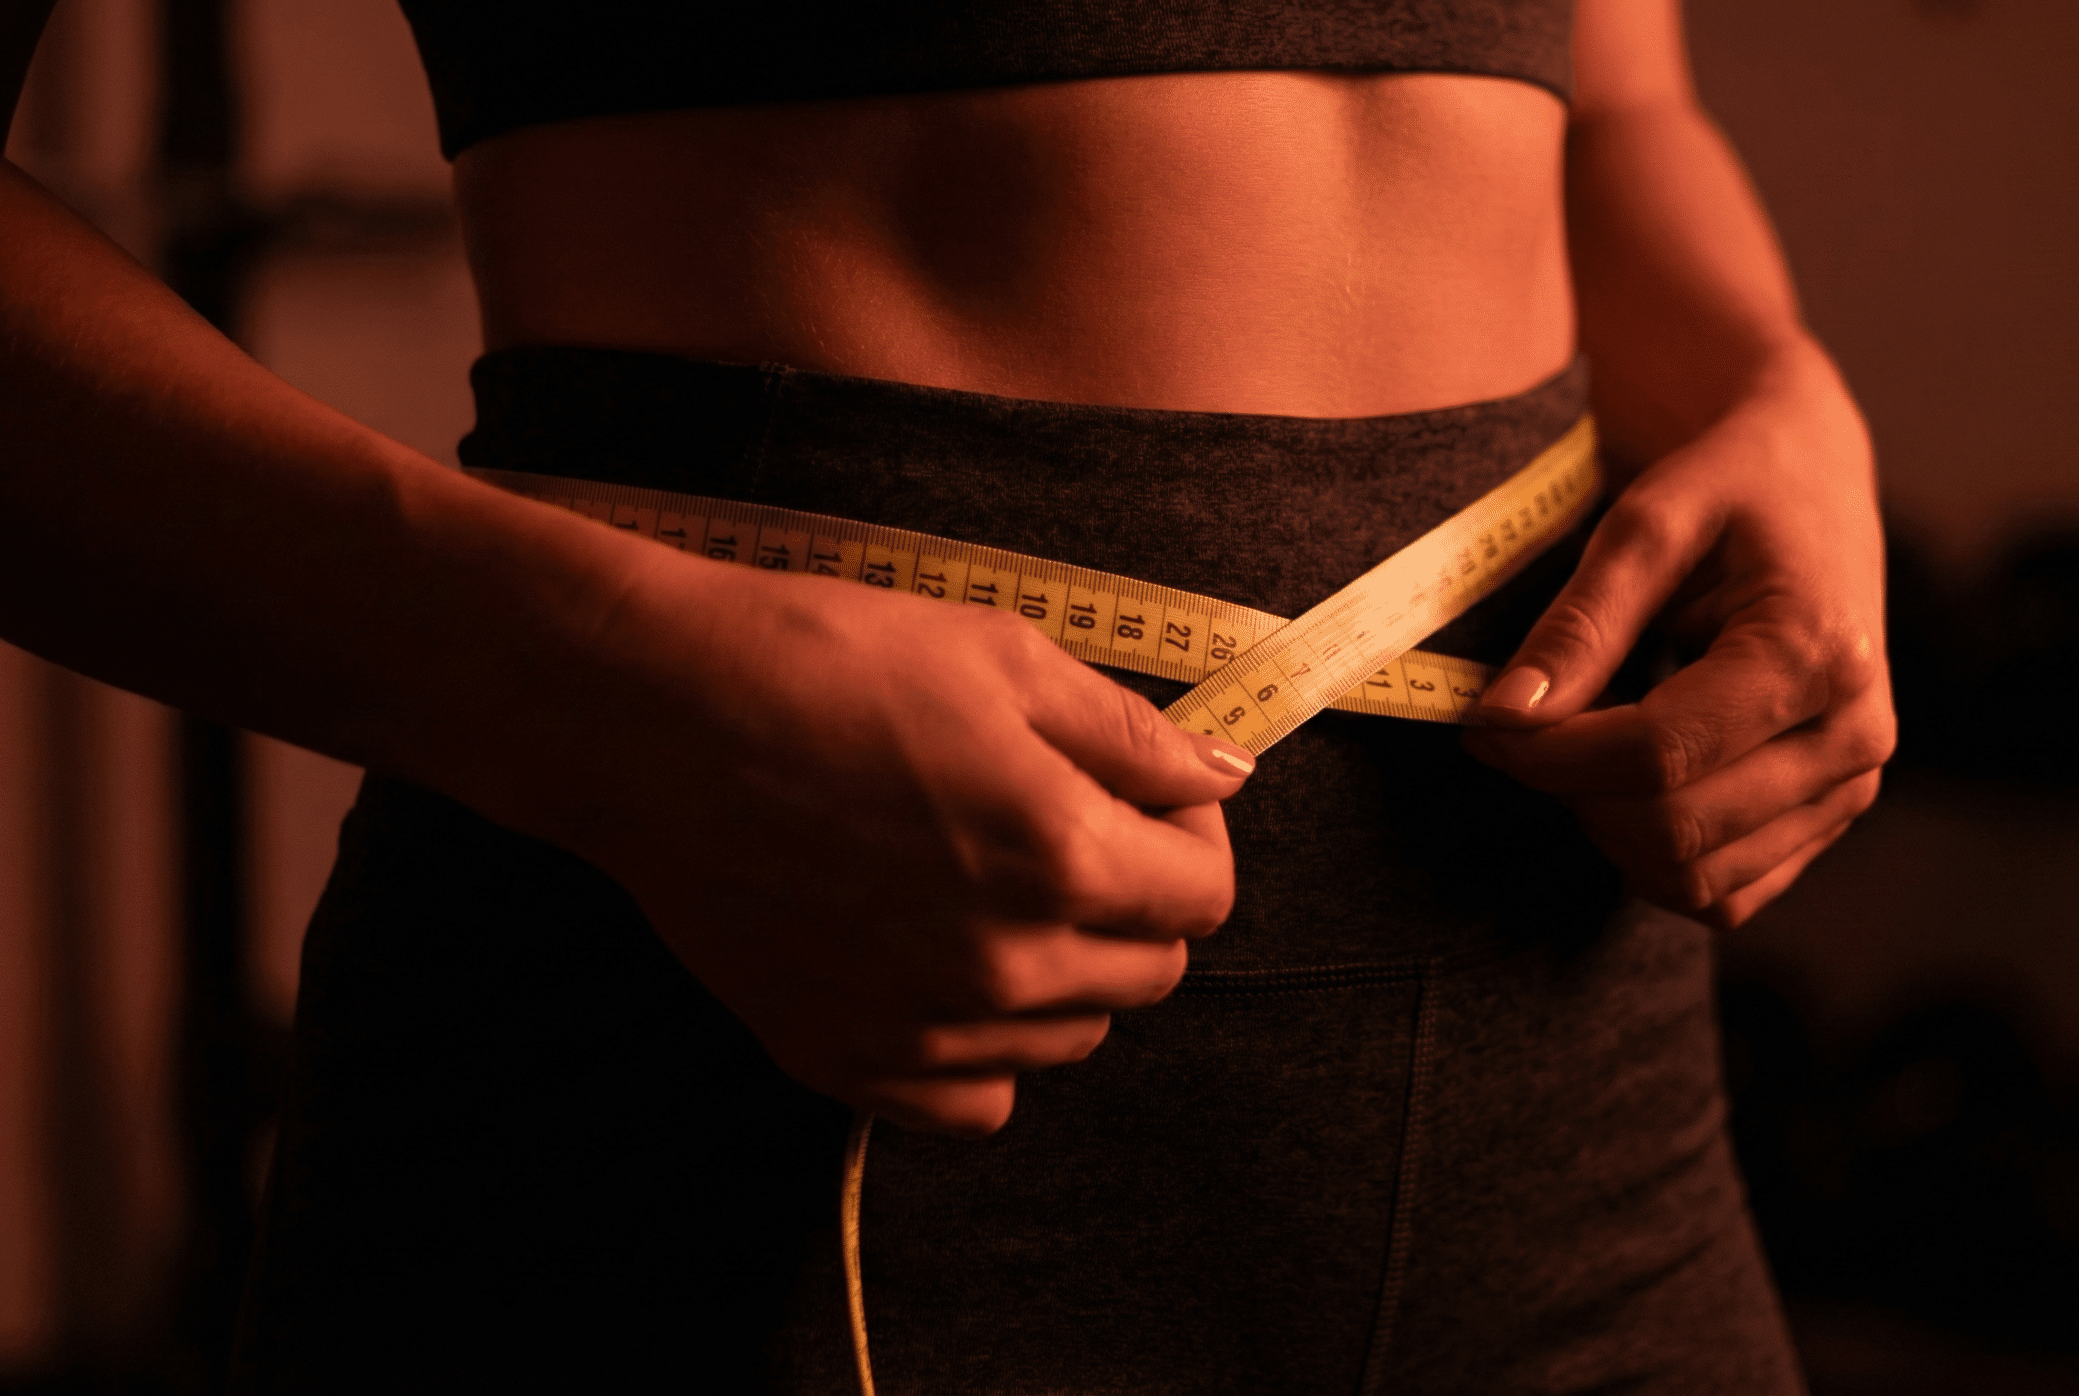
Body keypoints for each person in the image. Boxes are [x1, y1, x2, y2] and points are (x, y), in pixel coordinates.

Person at [0, 0, 1894, 1390]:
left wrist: (1768, 385)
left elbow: (1617, 94)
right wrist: (588, 692)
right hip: (740, 1080)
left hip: (1574, 1081)